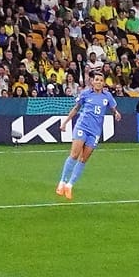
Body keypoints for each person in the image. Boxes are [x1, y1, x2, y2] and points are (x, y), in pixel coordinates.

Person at [56, 68, 119, 201]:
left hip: (95, 132)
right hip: (82, 127)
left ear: (103, 83)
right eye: (97, 80)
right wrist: (65, 122)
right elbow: (76, 108)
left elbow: (112, 108)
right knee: (74, 154)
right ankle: (62, 182)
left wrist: (116, 113)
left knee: (84, 159)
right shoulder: (86, 94)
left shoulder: (107, 96)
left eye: (101, 80)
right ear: (92, 81)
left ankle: (70, 186)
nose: (99, 82)